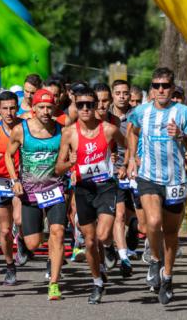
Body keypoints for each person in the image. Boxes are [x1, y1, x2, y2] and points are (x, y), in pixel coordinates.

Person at [126, 67, 187, 305]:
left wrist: (182, 135)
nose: (160, 90)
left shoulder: (183, 112)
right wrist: (132, 158)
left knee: (170, 233)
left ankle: (167, 276)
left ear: (172, 88)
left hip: (176, 179)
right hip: (148, 176)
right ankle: (155, 260)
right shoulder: (141, 111)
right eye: (156, 86)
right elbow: (132, 131)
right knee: (153, 222)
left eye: (165, 86)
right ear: (151, 88)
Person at [57, 87, 126, 304]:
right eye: (80, 105)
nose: (85, 109)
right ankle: (97, 281)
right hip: (83, 189)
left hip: (105, 186)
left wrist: (125, 162)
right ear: (75, 107)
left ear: (96, 106)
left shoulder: (109, 129)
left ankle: (108, 247)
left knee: (103, 235)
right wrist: (71, 162)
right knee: (88, 241)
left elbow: (128, 145)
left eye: (89, 104)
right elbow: (58, 167)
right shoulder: (69, 133)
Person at [6, 89, 65, 300]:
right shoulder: (21, 131)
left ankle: (54, 283)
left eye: (50, 107)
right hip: (30, 192)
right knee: (34, 243)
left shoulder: (62, 130)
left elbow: (67, 158)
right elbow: (8, 155)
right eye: (42, 107)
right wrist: (14, 180)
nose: (46, 111)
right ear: (34, 109)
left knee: (57, 232)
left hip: (55, 190)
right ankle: (22, 239)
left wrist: (71, 168)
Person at [0, 91, 22, 285]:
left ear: (17, 108)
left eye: (12, 108)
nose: (9, 112)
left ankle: (23, 243)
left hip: (21, 180)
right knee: (4, 231)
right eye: (5, 108)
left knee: (19, 219)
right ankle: (10, 265)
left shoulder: (25, 127)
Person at [107, 79, 136, 277]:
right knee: (118, 216)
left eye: (125, 93)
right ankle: (121, 255)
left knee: (136, 220)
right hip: (110, 173)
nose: (122, 97)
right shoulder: (105, 116)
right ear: (112, 95)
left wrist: (129, 163)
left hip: (133, 171)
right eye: (118, 93)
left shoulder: (137, 116)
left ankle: (133, 232)